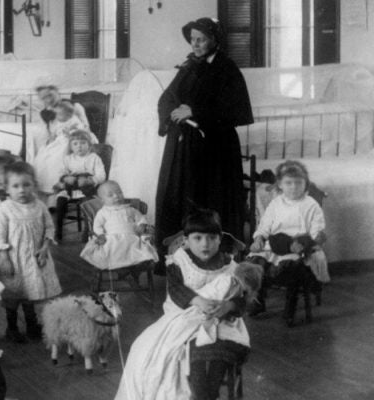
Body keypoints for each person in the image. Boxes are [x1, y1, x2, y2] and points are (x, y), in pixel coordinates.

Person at [115, 208, 255, 400]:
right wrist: (199, 301)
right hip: (182, 317)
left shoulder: (230, 266)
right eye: (197, 238)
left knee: (217, 351)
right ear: (186, 241)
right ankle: (200, 394)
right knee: (172, 351)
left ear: (220, 239)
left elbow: (241, 298)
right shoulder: (179, 261)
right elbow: (176, 289)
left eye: (211, 238)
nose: (205, 244)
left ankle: (209, 394)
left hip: (221, 320)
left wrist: (228, 306)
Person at [155, 18, 253, 256]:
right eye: (192, 40)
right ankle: (182, 255)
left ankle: (216, 254)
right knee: (181, 194)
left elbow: (237, 111)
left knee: (211, 196)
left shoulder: (227, 68)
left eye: (201, 39)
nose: (195, 45)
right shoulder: (189, 66)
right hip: (184, 145)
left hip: (215, 147)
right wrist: (172, 113)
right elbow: (167, 98)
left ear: (214, 40)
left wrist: (195, 112)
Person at [247, 160, 328, 324]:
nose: (293, 187)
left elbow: (316, 230)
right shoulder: (276, 203)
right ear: (280, 185)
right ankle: (258, 299)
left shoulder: (311, 205)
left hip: (299, 245)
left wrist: (316, 237)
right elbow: (265, 225)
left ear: (306, 184)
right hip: (277, 244)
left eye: (298, 183)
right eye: (288, 183)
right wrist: (259, 238)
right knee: (256, 261)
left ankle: (289, 308)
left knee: (294, 267)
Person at [0, 162, 62, 343]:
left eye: (26, 185)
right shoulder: (4, 210)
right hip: (13, 259)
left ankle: (32, 324)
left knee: (30, 293)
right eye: (15, 186)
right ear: (6, 188)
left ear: (34, 185)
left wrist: (45, 247)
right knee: (14, 295)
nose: (21, 190)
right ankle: (12, 327)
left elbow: (49, 228)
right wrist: (4, 259)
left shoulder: (39, 206)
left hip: (34, 257)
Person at [80, 181, 158, 269]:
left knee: (137, 248)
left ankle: (133, 263)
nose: (116, 196)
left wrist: (142, 225)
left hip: (131, 237)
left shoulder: (130, 209)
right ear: (103, 200)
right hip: (112, 238)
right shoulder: (103, 212)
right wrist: (101, 235)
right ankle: (117, 263)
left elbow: (141, 218)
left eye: (119, 192)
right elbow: (97, 226)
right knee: (112, 248)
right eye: (110, 195)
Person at [33, 102, 97, 204]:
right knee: (43, 157)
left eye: (61, 114)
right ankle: (44, 188)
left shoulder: (74, 119)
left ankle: (54, 188)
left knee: (57, 158)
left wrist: (70, 133)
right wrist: (53, 137)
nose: (59, 116)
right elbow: (54, 132)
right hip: (59, 140)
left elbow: (80, 131)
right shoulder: (57, 121)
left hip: (71, 140)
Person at [53, 129, 106, 240]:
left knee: (88, 206)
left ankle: (88, 230)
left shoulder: (94, 158)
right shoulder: (67, 159)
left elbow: (101, 175)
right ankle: (58, 231)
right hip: (70, 188)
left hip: (87, 188)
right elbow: (60, 172)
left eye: (83, 143)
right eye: (75, 144)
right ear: (71, 147)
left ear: (89, 145)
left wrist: (89, 180)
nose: (79, 146)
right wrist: (66, 177)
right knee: (60, 202)